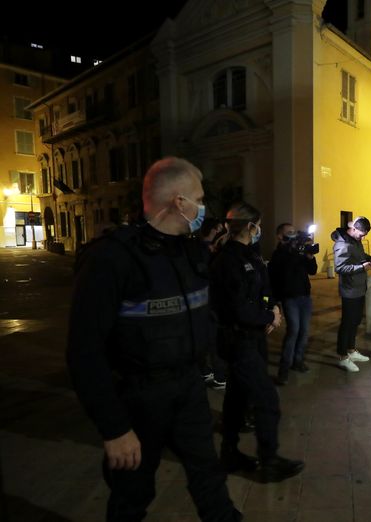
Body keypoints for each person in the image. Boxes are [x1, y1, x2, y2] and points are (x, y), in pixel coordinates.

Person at [66, 157, 241, 522]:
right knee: (132, 493)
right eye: (199, 197)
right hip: (139, 398)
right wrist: (114, 428)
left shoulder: (189, 252)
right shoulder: (111, 258)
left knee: (209, 477)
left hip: (188, 388)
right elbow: (84, 352)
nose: (203, 205)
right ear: (180, 202)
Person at [210, 202, 305, 483]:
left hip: (253, 337)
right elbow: (237, 308)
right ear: (250, 226)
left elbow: (265, 288)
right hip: (239, 339)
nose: (258, 230)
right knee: (266, 400)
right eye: (257, 224)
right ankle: (269, 460)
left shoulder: (249, 255)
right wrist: (268, 316)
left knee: (236, 398)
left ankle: (229, 453)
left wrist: (273, 310)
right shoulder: (227, 260)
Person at [268, 223, 318, 385]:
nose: (293, 235)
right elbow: (277, 276)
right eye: (289, 233)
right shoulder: (278, 255)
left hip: (304, 296)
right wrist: (275, 303)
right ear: (280, 236)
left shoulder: (299, 251)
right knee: (293, 331)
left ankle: (298, 361)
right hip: (289, 298)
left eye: (294, 232)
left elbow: (313, 270)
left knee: (304, 331)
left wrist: (309, 256)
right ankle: (284, 369)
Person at [330, 216, 371, 372]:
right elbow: (340, 268)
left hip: (359, 288)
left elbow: (359, 256)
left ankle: (351, 349)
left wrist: (369, 259)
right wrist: (362, 268)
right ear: (353, 229)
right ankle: (343, 356)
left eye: (365, 235)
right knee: (347, 323)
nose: (363, 237)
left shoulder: (355, 241)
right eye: (361, 234)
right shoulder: (342, 244)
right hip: (349, 290)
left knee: (355, 321)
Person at [199, 217, 228, 390]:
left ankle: (206, 370)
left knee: (211, 340)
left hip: (213, 303)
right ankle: (218, 375)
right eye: (219, 229)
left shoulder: (215, 251)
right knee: (213, 340)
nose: (222, 233)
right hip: (206, 304)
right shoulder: (201, 251)